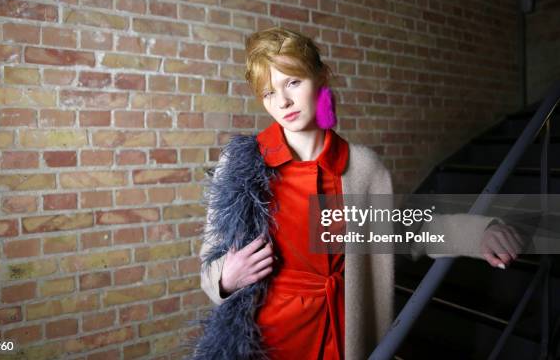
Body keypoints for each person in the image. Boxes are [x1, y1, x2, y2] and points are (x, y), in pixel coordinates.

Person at [199, 26, 523, 359]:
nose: (282, 101)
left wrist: (480, 233)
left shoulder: (362, 168)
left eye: (293, 82)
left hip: (343, 338)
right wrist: (226, 277)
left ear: (321, 77)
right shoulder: (240, 165)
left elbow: (407, 230)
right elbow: (209, 270)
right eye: (268, 93)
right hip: (266, 342)